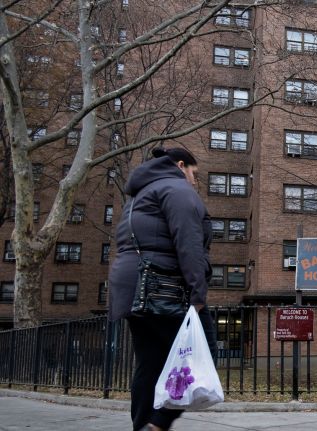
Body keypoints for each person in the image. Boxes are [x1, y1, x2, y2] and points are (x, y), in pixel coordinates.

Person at [108, 147, 215, 431]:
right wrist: (197, 293)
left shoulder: (139, 196)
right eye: (193, 174)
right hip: (164, 288)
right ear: (181, 166)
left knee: (150, 363)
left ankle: (142, 424)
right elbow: (189, 244)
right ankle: (156, 426)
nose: (194, 181)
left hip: (132, 288)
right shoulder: (177, 189)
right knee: (204, 353)